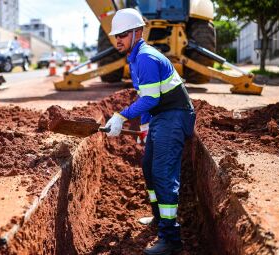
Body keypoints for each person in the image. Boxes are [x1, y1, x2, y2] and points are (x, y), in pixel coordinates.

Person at [104, 8, 196, 255]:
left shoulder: (145, 57)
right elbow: (146, 96)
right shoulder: (134, 57)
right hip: (161, 115)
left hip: (174, 115)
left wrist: (121, 116)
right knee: (148, 167)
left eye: (122, 34)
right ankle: (159, 219)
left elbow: (151, 99)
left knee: (164, 174)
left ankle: (171, 239)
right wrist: (144, 127)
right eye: (116, 35)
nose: (118, 40)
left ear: (137, 32)